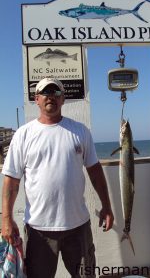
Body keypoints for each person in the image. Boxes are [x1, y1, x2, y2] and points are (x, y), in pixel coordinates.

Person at [1, 77, 114, 278]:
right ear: (37, 99)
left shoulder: (80, 131)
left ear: (63, 99)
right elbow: (12, 181)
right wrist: (7, 219)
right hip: (38, 230)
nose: (51, 96)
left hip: (78, 227)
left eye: (56, 92)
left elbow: (95, 170)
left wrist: (106, 205)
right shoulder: (23, 135)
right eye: (45, 92)